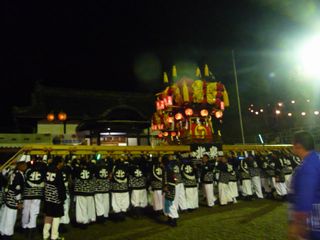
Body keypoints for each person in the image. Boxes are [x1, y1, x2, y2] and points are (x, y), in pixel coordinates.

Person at [288, 131, 320, 240]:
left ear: (298, 146)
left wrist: (298, 224)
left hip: (314, 218)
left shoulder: (307, 166)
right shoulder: (317, 158)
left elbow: (305, 196)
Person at [0, 155, 27, 240]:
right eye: (24, 165)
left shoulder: (14, 173)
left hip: (9, 198)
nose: (26, 166)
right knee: (10, 219)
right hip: (13, 200)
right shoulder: (19, 175)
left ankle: (3, 232)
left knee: (5, 216)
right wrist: (19, 202)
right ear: (20, 166)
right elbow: (17, 190)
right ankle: (7, 235)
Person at [21, 155, 47, 239]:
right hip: (37, 193)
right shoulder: (43, 171)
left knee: (26, 210)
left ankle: (24, 227)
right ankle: (31, 229)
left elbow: (25, 180)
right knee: (34, 212)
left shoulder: (27, 170)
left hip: (27, 193)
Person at [43, 156, 66, 240]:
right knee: (56, 217)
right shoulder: (58, 172)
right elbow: (60, 187)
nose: (63, 164)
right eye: (62, 162)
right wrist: (62, 198)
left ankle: (45, 235)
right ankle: (54, 236)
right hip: (56, 198)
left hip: (47, 197)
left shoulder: (48, 169)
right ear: (58, 163)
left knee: (48, 216)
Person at [73, 157, 96, 228]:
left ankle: (83, 221)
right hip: (89, 191)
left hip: (80, 191)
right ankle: (90, 218)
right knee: (90, 206)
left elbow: (74, 177)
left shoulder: (77, 170)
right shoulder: (91, 169)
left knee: (81, 207)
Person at [111, 157, 130, 221]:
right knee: (124, 201)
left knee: (116, 202)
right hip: (124, 187)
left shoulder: (114, 167)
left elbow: (112, 175)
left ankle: (118, 215)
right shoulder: (125, 167)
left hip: (116, 188)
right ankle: (123, 214)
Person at [94, 157, 112, 223]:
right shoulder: (108, 168)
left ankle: (100, 217)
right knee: (106, 202)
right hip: (106, 188)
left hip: (98, 188)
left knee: (99, 203)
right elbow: (110, 176)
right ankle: (105, 215)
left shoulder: (95, 168)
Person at [162, 155, 178, 227]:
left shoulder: (166, 168)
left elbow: (165, 177)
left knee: (170, 203)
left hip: (169, 187)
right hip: (172, 186)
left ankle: (174, 220)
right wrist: (175, 181)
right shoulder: (171, 166)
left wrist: (165, 186)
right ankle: (170, 219)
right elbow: (174, 177)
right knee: (168, 203)